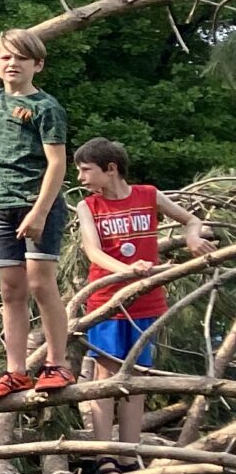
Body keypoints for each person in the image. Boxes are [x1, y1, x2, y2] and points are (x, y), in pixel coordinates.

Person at [0, 30, 74, 400]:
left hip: (38, 206)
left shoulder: (46, 108)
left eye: (21, 58)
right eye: (6, 57)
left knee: (40, 283)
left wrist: (39, 212)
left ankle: (57, 364)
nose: (12, 64)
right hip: (2, 206)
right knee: (10, 289)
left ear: (38, 64)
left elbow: (57, 164)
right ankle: (15, 372)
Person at [74, 138, 213, 453]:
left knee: (137, 377)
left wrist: (193, 238)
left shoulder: (148, 195)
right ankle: (104, 454)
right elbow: (92, 251)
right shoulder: (89, 206)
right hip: (108, 302)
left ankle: (129, 453)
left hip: (147, 303)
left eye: (86, 170)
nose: (81, 178)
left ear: (111, 169)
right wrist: (127, 270)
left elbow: (191, 219)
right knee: (105, 375)